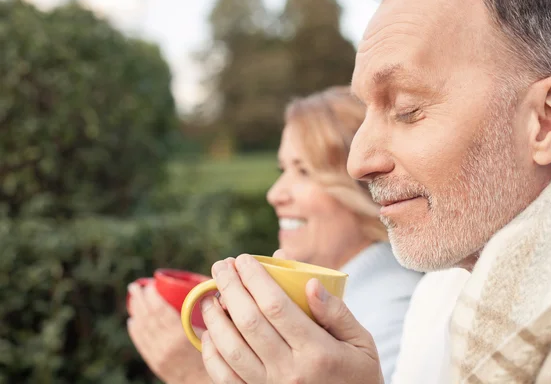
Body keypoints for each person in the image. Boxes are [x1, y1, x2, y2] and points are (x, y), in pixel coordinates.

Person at [197, 0, 551, 383]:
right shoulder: (437, 296)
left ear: (549, 119)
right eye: (366, 111)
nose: (357, 163)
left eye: (406, 109)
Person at [127, 86, 422, 384]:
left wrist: (195, 375)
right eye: (283, 168)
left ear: (368, 187)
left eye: (304, 171)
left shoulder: (399, 310)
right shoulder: (342, 293)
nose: (274, 194)